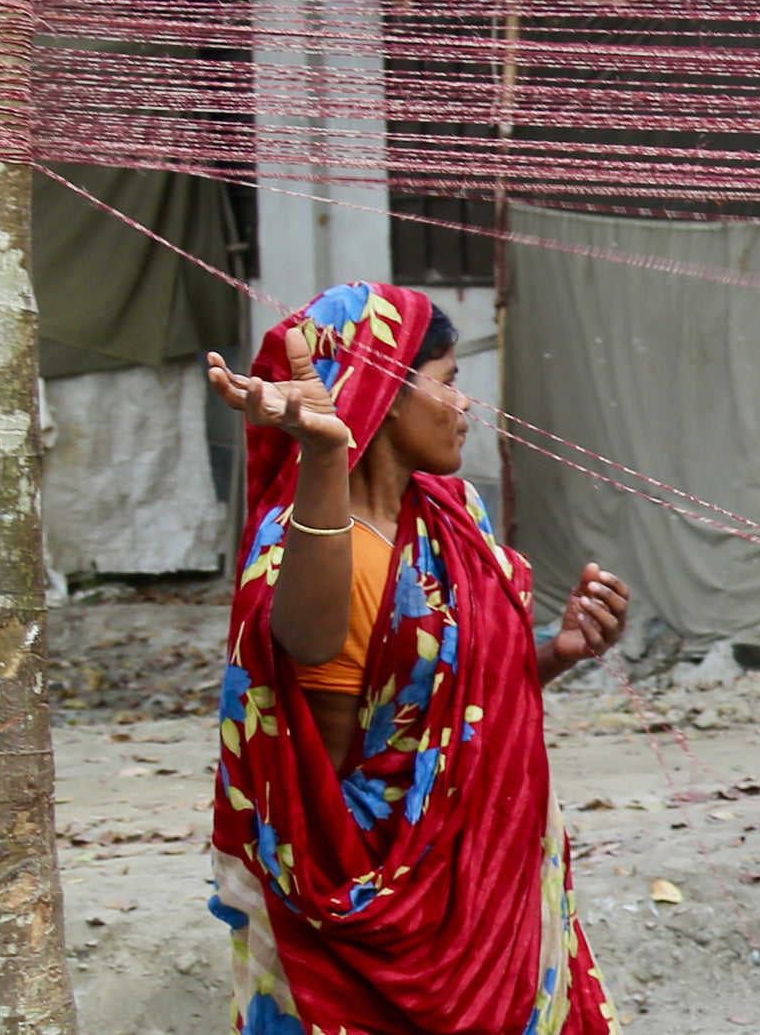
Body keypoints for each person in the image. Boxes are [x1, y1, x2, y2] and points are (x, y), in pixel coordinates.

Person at [206, 281, 628, 1035]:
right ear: (382, 387)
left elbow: (449, 715)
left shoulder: (451, 516)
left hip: (484, 889)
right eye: (450, 382)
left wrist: (556, 654)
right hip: (386, 914)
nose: (465, 405)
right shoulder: (307, 552)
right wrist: (328, 453)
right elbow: (325, 739)